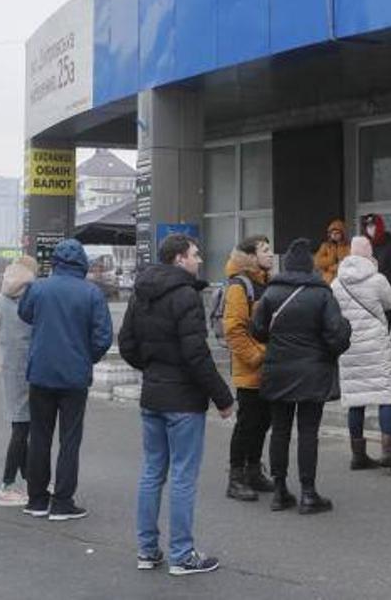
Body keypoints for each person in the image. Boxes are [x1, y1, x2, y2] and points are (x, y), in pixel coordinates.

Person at [119, 234, 234, 577]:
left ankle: (147, 550)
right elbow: (196, 354)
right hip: (183, 400)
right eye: (195, 254)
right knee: (183, 476)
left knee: (152, 472)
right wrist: (223, 397)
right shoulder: (186, 296)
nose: (200, 260)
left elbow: (127, 343)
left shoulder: (141, 293)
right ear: (180, 258)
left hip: (154, 394)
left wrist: (153, 368)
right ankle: (182, 555)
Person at [251, 238, 351, 514]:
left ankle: (279, 491)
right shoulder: (322, 295)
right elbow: (337, 337)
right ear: (309, 266)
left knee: (280, 430)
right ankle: (308, 493)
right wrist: (345, 329)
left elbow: (257, 331)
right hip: (312, 372)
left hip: (278, 371)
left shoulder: (271, 293)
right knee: (308, 432)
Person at [17, 239, 113, 521]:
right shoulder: (92, 293)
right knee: (69, 440)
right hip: (74, 377)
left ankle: (36, 499)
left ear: (55, 262)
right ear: (82, 262)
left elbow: (24, 313)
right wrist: (86, 357)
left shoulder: (38, 288)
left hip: (41, 373)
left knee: (39, 437)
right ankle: (62, 502)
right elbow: (103, 337)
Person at [332, 236, 391, 474]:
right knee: (385, 396)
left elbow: (333, 311)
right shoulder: (377, 279)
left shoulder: (337, 283)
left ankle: (358, 455)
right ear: (369, 253)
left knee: (356, 399)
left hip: (350, 346)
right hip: (376, 345)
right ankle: (388, 454)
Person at [221, 235, 275, 502]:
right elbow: (234, 330)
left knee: (263, 422)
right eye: (264, 250)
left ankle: (253, 470)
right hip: (251, 370)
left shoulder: (266, 283)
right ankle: (236, 478)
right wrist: (257, 357)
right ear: (251, 257)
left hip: (268, 369)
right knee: (247, 424)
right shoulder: (239, 286)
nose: (270, 254)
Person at [0, 255, 36, 507]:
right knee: (22, 428)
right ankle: (7, 484)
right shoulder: (32, 293)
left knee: (20, 424)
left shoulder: (1, 296)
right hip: (28, 364)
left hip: (9, 364)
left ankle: (30, 480)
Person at [361, 213, 391, 306]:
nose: (370, 229)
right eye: (367, 226)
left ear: (378, 227)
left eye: (372, 226)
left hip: (386, 295)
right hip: (368, 297)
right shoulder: (365, 246)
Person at [313, 219, 350, 284]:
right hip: (328, 280)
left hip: (343, 279)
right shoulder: (326, 246)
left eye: (337, 233)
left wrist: (337, 267)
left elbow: (349, 262)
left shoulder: (347, 247)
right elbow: (317, 262)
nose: (334, 235)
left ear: (342, 233)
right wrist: (330, 260)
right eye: (332, 233)